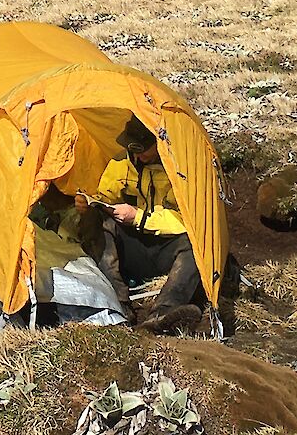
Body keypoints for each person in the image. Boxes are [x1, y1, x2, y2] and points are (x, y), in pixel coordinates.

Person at [90, 116, 238, 335]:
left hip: (169, 252)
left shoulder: (182, 171)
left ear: (159, 143)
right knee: (103, 225)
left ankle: (162, 314)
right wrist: (90, 204)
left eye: (142, 149)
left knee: (197, 242)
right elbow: (105, 197)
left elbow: (189, 219)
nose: (137, 155)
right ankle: (118, 306)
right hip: (138, 247)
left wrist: (139, 218)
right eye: (132, 148)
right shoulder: (124, 163)